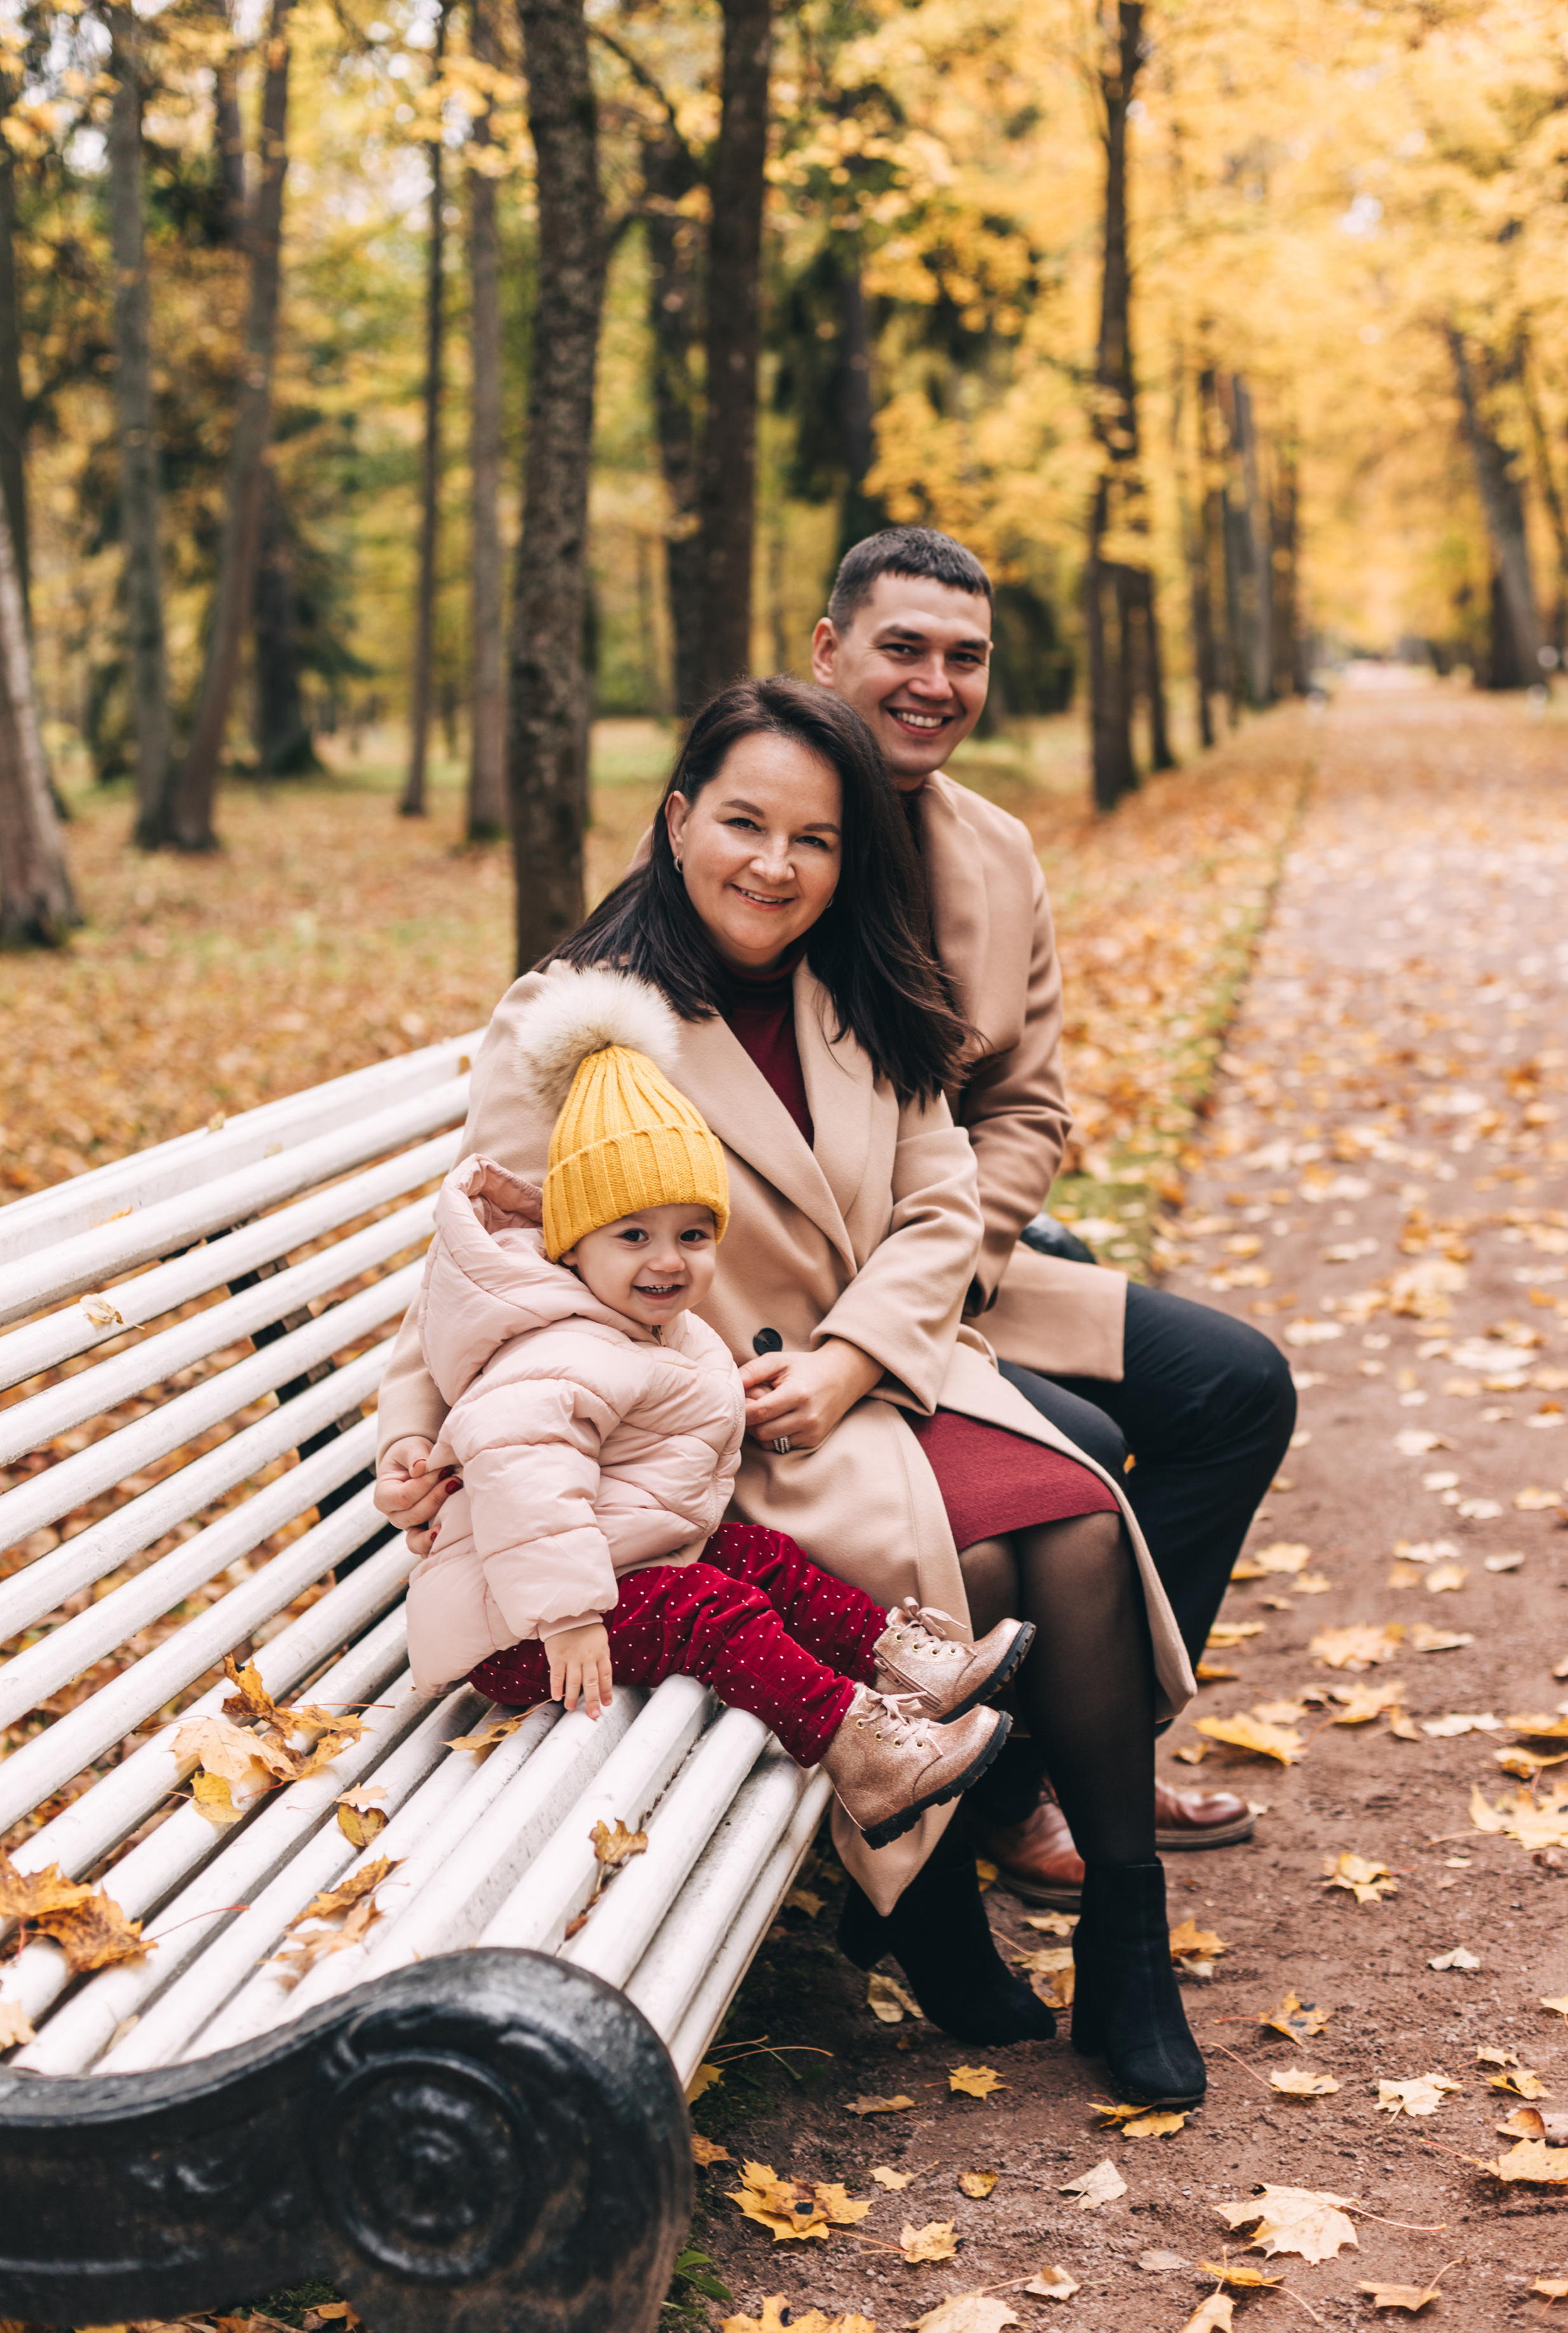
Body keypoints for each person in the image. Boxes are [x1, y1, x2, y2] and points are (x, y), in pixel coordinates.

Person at [375, 678, 1205, 2104]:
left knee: (1072, 1513)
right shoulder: (576, 1024)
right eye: (742, 824)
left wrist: (848, 1358)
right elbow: (481, 1255)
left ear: (846, 861)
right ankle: (929, 1915)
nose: (773, 866)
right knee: (1008, 1546)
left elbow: (942, 1211)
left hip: (865, 1376)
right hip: (686, 1423)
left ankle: (1129, 1944)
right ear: (677, 819)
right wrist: (411, 1427)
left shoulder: (861, 992)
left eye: (812, 840)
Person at [809, 526, 1297, 1903]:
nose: (932, 682)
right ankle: (1033, 1795)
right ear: (827, 650)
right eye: (900, 647)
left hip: (966, 1270)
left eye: (964, 657)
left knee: (1235, 1386)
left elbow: (1026, 1106)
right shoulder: (763, 827)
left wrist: (957, 1263)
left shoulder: (994, 849)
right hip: (804, 1303)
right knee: (1073, 1447)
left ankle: (1092, 1752)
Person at [404, 968, 1030, 1854]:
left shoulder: (645, 1329)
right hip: (523, 1628)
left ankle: (908, 1664)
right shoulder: (552, 1347)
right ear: (571, 1242)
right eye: (633, 1236)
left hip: (599, 1579)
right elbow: (519, 1473)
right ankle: (864, 1753)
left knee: (757, 1557)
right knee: (707, 1608)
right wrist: (571, 1614)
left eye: (692, 1234)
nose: (668, 1261)